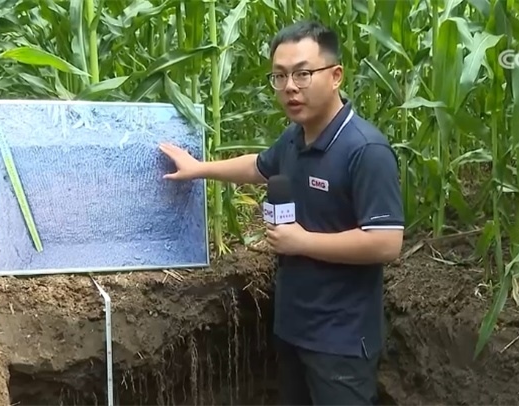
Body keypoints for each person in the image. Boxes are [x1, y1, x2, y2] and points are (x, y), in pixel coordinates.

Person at [158, 20, 404, 405]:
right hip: (293, 329)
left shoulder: (365, 151)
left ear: (335, 76)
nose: (290, 86)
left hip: (340, 341)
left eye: (303, 74)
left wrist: (301, 241)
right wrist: (199, 168)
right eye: (280, 76)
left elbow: (386, 242)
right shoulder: (295, 137)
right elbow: (259, 166)